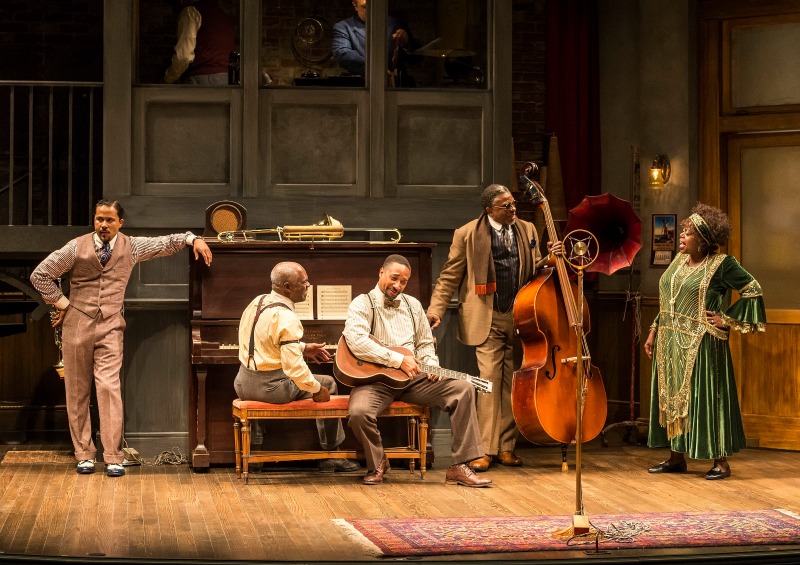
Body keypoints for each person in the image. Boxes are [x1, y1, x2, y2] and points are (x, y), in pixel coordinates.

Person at [30, 199, 213, 477]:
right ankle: (84, 454)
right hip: (77, 325)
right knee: (77, 391)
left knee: (109, 388)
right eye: (99, 219)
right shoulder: (76, 247)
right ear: (94, 220)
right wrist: (63, 304)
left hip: (111, 326)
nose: (103, 225)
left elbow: (166, 243)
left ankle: (113, 456)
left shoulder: (132, 246)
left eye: (109, 220)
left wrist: (193, 239)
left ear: (120, 223)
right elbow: (41, 274)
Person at [426, 184, 562, 473]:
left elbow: (533, 270)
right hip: (486, 317)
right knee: (488, 381)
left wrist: (550, 257)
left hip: (522, 315)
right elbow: (449, 276)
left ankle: (506, 447)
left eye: (513, 204)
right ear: (489, 210)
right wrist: (435, 309)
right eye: (506, 206)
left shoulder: (527, 230)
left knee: (513, 382)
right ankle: (484, 449)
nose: (513, 210)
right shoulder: (467, 234)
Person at [343, 254, 491, 487]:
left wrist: (431, 363)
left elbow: (424, 344)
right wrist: (397, 359)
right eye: (394, 278)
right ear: (381, 272)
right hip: (375, 381)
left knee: (463, 388)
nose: (398, 286)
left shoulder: (413, 306)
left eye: (403, 282)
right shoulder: (362, 303)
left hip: (413, 379)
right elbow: (356, 341)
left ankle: (460, 466)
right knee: (358, 413)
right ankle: (378, 461)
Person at [644, 203, 766, 480]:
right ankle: (676, 457)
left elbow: (753, 289)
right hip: (671, 341)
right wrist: (654, 330)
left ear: (703, 239)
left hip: (703, 342)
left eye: (688, 233)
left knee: (707, 399)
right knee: (672, 398)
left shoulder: (722, 265)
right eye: (683, 231)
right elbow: (667, 302)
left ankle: (720, 461)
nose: (682, 237)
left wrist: (727, 319)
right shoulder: (677, 262)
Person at [234, 262, 359, 474]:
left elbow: (264, 338)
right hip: (271, 390)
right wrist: (316, 389)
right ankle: (332, 455)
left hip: (243, 383)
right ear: (287, 287)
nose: (309, 285)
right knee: (327, 383)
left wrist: (303, 347)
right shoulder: (287, 316)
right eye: (303, 282)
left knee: (285, 378)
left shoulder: (258, 301)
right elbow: (294, 368)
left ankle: (255, 453)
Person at [331, 0, 422, 87]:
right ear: (355, 5)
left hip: (396, 88)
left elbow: (417, 58)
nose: (371, 10)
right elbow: (342, 54)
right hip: (364, 86)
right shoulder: (343, 27)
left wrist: (407, 43)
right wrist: (376, 68)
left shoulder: (396, 23)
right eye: (365, 7)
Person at [164, 0, 236, 85]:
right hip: (227, 77)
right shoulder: (221, 13)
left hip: (204, 78)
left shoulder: (190, 12)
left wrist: (167, 79)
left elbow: (183, 57)